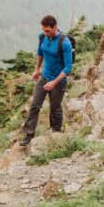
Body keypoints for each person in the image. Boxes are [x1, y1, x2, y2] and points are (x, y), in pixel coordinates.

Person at [20, 14, 73, 146]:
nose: (45, 33)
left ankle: (55, 133)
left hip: (58, 81)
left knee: (55, 107)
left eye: (48, 30)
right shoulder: (42, 37)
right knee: (34, 105)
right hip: (44, 76)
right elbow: (40, 52)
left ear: (55, 27)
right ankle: (29, 135)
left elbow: (68, 68)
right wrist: (37, 69)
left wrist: (54, 82)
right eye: (43, 30)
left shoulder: (64, 43)